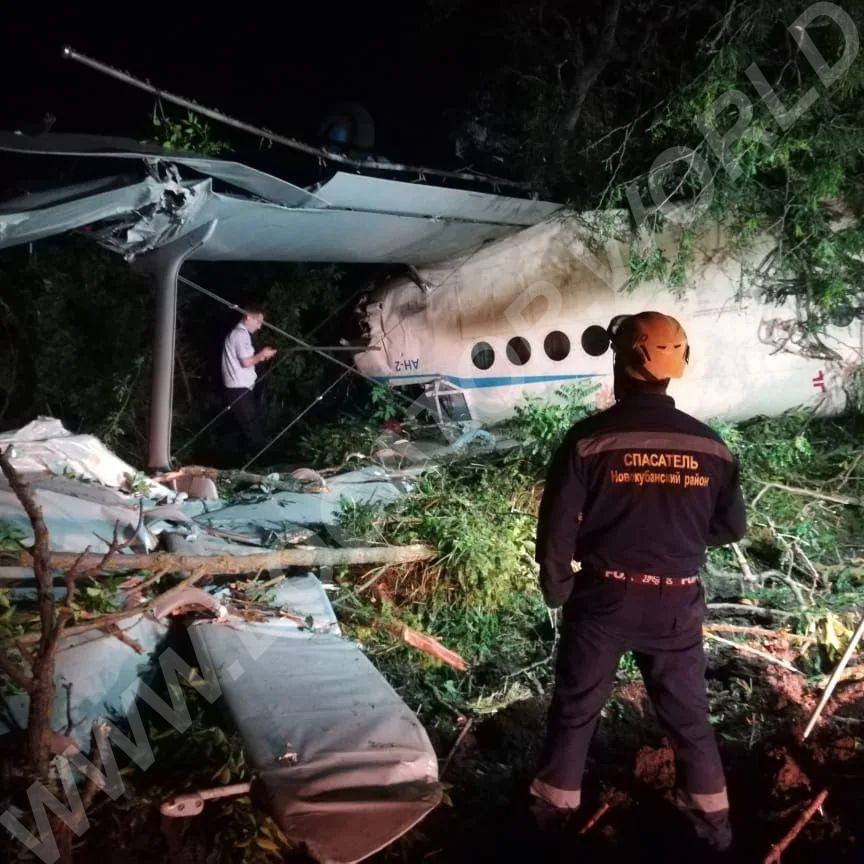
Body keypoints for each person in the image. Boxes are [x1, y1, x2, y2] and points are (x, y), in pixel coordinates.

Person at [530, 311, 746, 855]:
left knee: (576, 713)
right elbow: (730, 527)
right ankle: (715, 831)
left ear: (620, 361)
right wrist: (678, 542)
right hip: (677, 602)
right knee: (690, 719)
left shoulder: (588, 441)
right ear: (678, 365)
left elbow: (556, 532)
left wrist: (560, 590)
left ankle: (546, 826)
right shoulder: (712, 448)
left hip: (604, 598)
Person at [221, 305, 277, 461]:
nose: (259, 326)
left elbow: (249, 360)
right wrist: (262, 354)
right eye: (258, 321)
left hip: (242, 389)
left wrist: (261, 356)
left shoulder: (241, 334)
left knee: (247, 426)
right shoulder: (240, 335)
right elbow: (246, 362)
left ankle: (246, 460)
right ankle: (260, 463)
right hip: (238, 390)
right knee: (252, 429)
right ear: (248, 317)